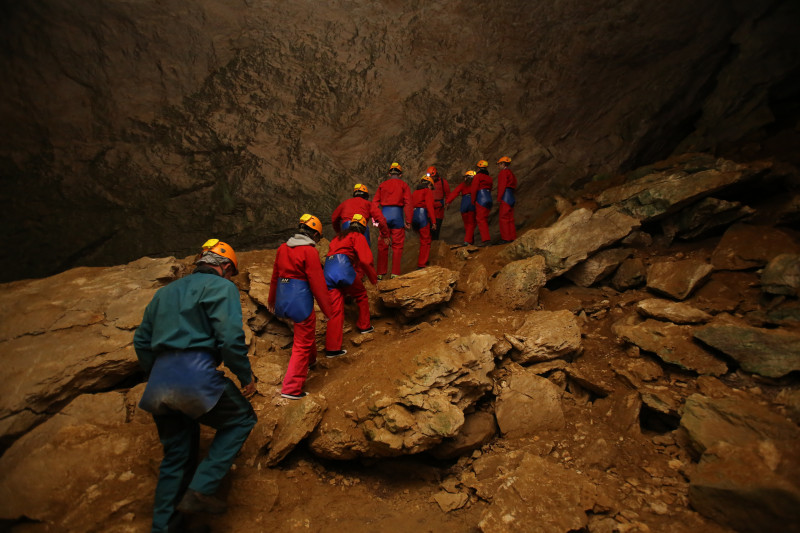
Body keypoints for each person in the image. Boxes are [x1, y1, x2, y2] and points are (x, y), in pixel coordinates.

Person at [134, 239, 257, 533]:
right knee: (241, 419)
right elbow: (229, 338)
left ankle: (164, 527)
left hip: (159, 382)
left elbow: (141, 341)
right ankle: (201, 489)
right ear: (226, 267)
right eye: (231, 273)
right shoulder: (222, 287)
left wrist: (161, 374)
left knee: (176, 457)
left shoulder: (164, 293)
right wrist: (245, 376)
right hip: (196, 374)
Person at [268, 214, 334, 400]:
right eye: (318, 237)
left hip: (283, 298)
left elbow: (275, 275)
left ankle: (311, 361)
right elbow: (317, 284)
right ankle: (291, 387)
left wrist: (272, 300)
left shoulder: (282, 248)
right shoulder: (309, 252)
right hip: (300, 300)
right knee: (302, 343)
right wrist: (328, 310)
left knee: (305, 330)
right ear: (314, 235)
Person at [323, 213, 379, 356]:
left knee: (335, 309)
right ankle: (364, 326)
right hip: (343, 269)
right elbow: (365, 261)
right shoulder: (358, 236)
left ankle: (332, 349)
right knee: (361, 294)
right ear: (363, 228)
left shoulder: (337, 238)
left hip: (328, 271)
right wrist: (374, 279)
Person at [373, 162, 412, 279]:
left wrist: (375, 221)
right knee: (397, 246)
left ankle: (380, 273)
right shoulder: (404, 185)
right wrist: (408, 221)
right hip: (397, 215)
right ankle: (395, 274)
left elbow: (374, 204)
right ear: (400, 174)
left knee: (382, 244)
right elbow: (408, 204)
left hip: (384, 215)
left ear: (389, 173)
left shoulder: (382, 185)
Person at [331, 183, 390, 250]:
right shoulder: (368, 204)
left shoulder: (345, 203)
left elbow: (334, 218)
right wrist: (385, 235)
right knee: (364, 253)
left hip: (345, 228)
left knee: (345, 251)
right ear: (365, 196)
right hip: (361, 228)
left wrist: (339, 232)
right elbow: (381, 219)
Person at [411, 175, 437, 268]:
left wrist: (409, 221)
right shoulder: (427, 191)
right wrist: (434, 222)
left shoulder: (414, 192)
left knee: (422, 239)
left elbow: (410, 206)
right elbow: (430, 207)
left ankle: (421, 261)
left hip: (414, 216)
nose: (431, 188)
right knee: (426, 240)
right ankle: (422, 263)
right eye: (431, 186)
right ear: (429, 184)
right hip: (422, 216)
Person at [445, 170, 477, 245]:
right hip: (472, 203)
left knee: (467, 224)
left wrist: (448, 202)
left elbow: (455, 192)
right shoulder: (476, 185)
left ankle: (470, 241)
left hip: (464, 204)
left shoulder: (463, 185)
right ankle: (467, 241)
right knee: (471, 224)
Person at [470, 159, 494, 246]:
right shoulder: (489, 178)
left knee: (481, 220)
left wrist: (473, 201)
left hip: (481, 198)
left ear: (479, 168)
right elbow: (491, 188)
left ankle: (486, 240)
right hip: (489, 198)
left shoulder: (478, 176)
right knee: (485, 219)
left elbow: (474, 189)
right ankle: (486, 239)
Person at [496, 156, 518, 243]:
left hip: (505, 196)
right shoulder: (511, 173)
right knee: (510, 218)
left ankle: (506, 239)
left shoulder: (503, 173)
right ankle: (512, 237)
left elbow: (502, 186)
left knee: (503, 218)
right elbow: (515, 183)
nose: (498, 166)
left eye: (499, 164)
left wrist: (499, 198)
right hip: (511, 196)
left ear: (503, 164)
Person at [426, 165, 450, 240]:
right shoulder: (427, 182)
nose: (431, 178)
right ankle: (429, 246)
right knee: (428, 230)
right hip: (429, 209)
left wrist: (447, 202)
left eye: (432, 177)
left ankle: (435, 245)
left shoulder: (443, 182)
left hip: (439, 210)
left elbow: (448, 193)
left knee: (436, 229)